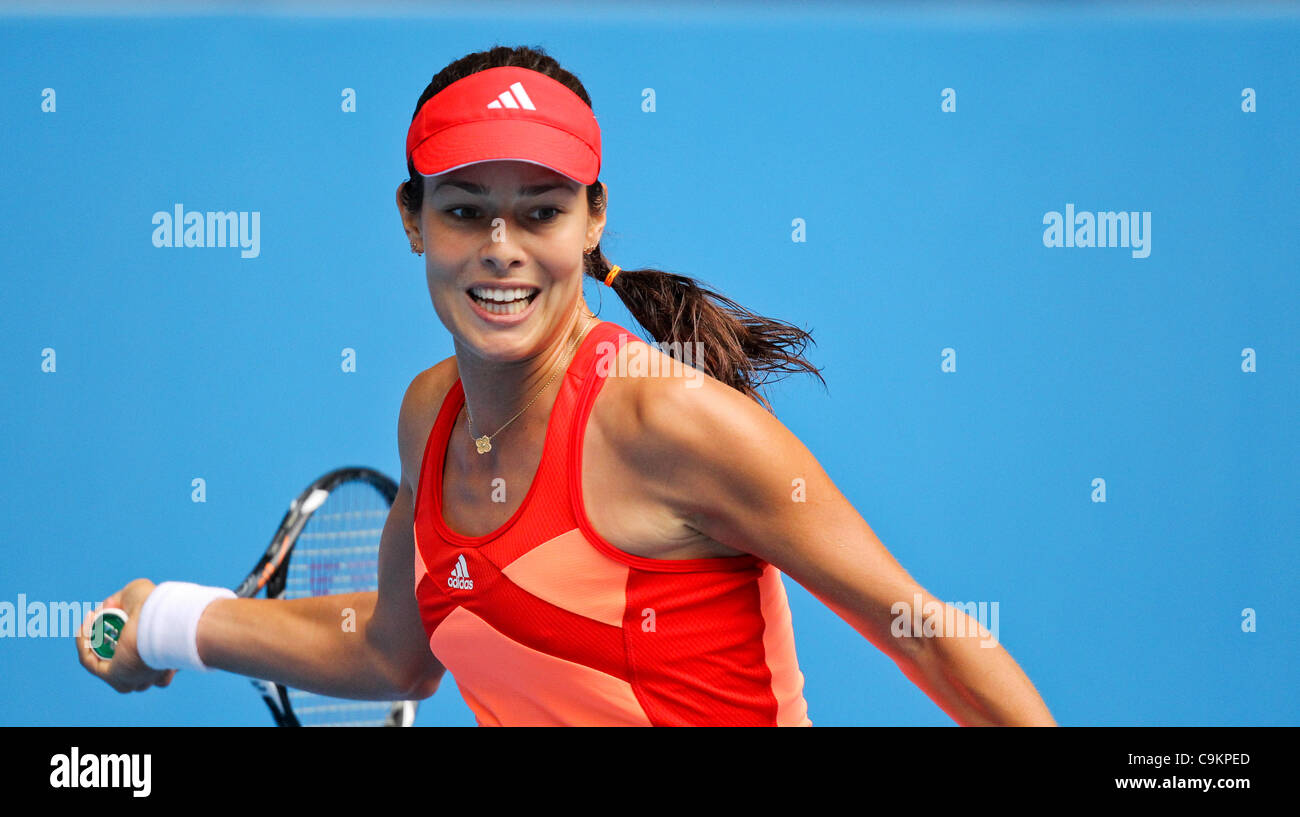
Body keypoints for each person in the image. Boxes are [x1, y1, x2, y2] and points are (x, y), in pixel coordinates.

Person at [76, 44, 1056, 726]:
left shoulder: (671, 424)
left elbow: (922, 632)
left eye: (538, 213)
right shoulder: (431, 414)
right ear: (412, 220)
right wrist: (166, 619)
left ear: (591, 220)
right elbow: (393, 655)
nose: (500, 252)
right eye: (465, 212)